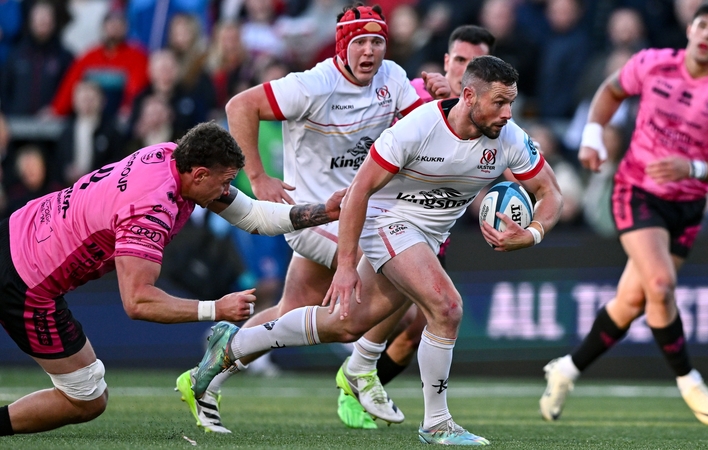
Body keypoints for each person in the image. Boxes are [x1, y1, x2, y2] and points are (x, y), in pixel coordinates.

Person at [189, 55, 562, 445]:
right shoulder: (418, 128)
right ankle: (436, 422)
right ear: (468, 96)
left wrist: (532, 232)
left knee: (345, 324)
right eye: (500, 102)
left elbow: (550, 193)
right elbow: (359, 192)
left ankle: (231, 344)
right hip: (385, 220)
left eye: (512, 102)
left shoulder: (510, 138)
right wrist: (346, 264)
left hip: (425, 237)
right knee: (447, 307)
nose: (508, 113)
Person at [173, 3, 450, 434]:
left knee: (291, 310)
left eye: (377, 41)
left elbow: (426, 123)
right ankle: (361, 367)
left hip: (355, 213)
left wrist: (442, 95)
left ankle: (206, 376)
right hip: (311, 216)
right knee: (394, 273)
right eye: (360, 41)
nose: (369, 51)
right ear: (342, 46)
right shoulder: (314, 84)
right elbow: (239, 106)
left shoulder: (392, 77)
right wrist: (259, 176)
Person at [0, 121, 343, 436]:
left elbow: (253, 216)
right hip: (28, 286)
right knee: (87, 398)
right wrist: (215, 309)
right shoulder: (151, 208)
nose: (226, 190)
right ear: (199, 174)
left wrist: (324, 212)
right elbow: (137, 301)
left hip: (15, 230)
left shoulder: (170, 156)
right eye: (224, 182)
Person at [538, 1, 708, 426]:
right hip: (637, 189)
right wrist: (592, 137)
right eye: (703, 25)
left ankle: (566, 369)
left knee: (633, 299)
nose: (707, 34)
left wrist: (691, 167)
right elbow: (610, 91)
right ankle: (689, 379)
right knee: (660, 283)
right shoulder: (654, 62)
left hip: (687, 202)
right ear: (690, 29)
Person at [335, 23, 497, 430]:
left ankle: (359, 375)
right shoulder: (417, 95)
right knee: (356, 315)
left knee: (418, 324)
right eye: (459, 61)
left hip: (433, 227)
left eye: (472, 63)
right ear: (446, 62)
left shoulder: (494, 110)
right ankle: (358, 375)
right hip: (375, 214)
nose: (463, 71)